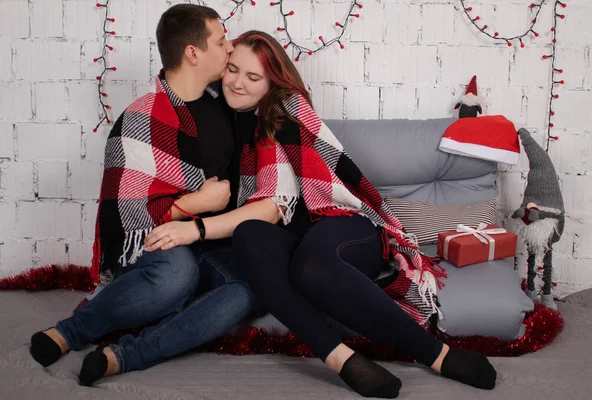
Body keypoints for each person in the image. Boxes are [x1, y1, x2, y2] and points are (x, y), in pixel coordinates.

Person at [143, 31, 498, 398]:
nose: (237, 83)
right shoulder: (218, 117)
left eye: (253, 78)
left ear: (271, 83)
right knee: (248, 234)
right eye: (232, 70)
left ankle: (436, 354)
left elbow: (273, 204)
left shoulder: (282, 111)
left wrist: (195, 229)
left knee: (309, 268)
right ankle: (341, 358)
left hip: (343, 224)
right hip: (295, 236)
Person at [29, 4, 257, 386]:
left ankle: (128, 354)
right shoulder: (139, 118)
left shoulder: (229, 99)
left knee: (252, 286)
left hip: (217, 237)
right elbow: (126, 218)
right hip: (162, 243)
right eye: (221, 40)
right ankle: (73, 330)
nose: (230, 47)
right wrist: (191, 205)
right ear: (193, 53)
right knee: (176, 276)